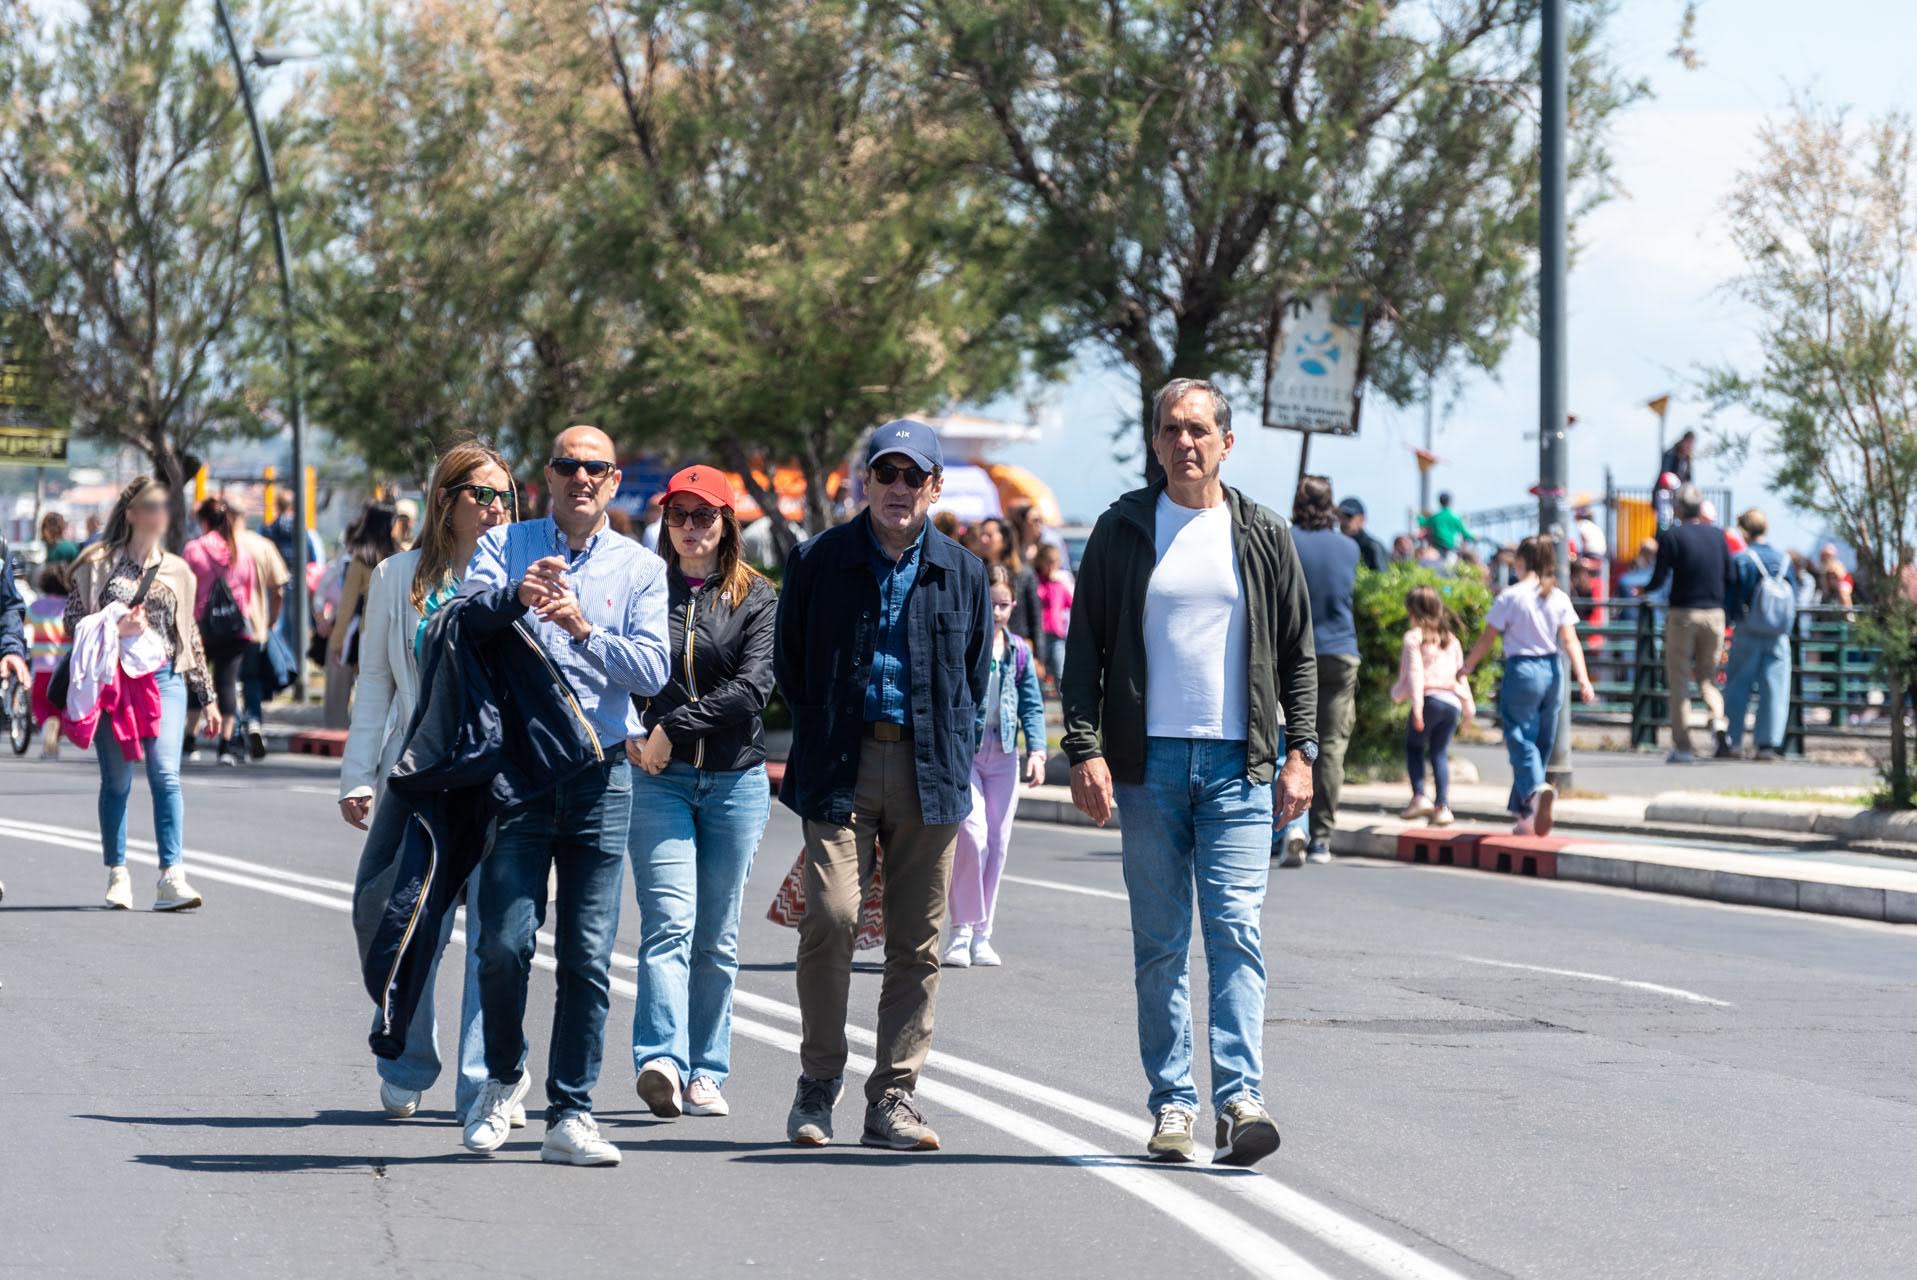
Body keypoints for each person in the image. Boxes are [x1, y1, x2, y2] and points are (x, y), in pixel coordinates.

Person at [1062, 378, 1317, 1168]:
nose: (1185, 443)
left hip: (1241, 764)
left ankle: (1240, 1101)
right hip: (1149, 766)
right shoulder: (1121, 530)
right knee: (1160, 943)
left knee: (1236, 931)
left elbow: (1299, 653)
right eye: (1171, 430)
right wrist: (1085, 748)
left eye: (1199, 430)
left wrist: (1301, 752)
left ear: (1226, 443)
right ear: (1155, 441)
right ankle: (1172, 1102)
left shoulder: (1262, 533)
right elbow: (1084, 647)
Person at [774, 419, 990, 1152]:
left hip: (931, 769)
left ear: (934, 487)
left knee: (916, 943)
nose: (899, 488)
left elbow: (974, 675)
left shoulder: (964, 571)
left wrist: (953, 747)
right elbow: (792, 662)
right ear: (865, 482)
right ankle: (817, 1082)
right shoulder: (817, 561)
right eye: (886, 473)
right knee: (831, 917)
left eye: (913, 476)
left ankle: (893, 1097)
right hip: (842, 762)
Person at [458, 425, 669, 1169]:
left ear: (612, 482)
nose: (581, 478)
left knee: (586, 956)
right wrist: (514, 598)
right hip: (515, 775)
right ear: (547, 476)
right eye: (567, 466)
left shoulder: (640, 567)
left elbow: (652, 672)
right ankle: (501, 1080)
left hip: (599, 774)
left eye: (595, 469)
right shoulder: (504, 545)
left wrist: (582, 629)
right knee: (502, 944)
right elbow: (464, 624)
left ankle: (571, 1114)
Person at [340, 442, 516, 1124]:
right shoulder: (396, 577)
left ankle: (485, 1084)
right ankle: (408, 1061)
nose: (495, 508)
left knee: (497, 940)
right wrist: (358, 776)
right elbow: (375, 683)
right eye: (482, 494)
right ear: (446, 499)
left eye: (504, 496)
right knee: (411, 923)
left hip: (501, 784)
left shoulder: (522, 574)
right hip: (422, 780)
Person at [626, 464, 777, 1123]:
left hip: (734, 782)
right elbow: (613, 666)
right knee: (668, 922)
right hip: (657, 782)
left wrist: (670, 728)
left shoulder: (757, 596)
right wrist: (631, 731)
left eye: (703, 515)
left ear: (725, 523)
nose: (690, 527)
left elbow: (752, 690)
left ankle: (706, 1071)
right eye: (678, 514)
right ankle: (661, 1060)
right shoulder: (641, 586)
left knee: (715, 936)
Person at [66, 476, 217, 910]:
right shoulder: (98, 563)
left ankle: (171, 876)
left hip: (164, 679)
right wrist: (115, 628)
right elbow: (72, 622)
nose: (162, 513)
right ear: (131, 513)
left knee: (165, 772)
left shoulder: (179, 570)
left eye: (166, 505)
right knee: (117, 780)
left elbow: (188, 634)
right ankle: (118, 873)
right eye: (153, 505)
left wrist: (207, 697)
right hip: (112, 681)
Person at [943, 565, 1047, 969]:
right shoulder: (966, 642)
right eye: (991, 604)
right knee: (972, 837)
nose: (998, 612)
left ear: (1014, 605)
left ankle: (982, 935)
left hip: (1003, 754)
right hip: (967, 752)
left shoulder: (1019, 651)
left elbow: (1032, 705)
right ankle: (961, 931)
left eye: (1004, 605)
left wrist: (1037, 751)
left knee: (999, 843)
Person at [1462, 536, 1596, 836]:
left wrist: (1467, 666)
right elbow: (1570, 641)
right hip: (1553, 669)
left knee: (1519, 736)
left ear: (1520, 562)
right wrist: (1584, 679)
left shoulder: (1511, 596)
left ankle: (1535, 791)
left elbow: (1487, 638)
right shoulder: (1558, 596)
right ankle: (1526, 812)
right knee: (1542, 741)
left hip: (1522, 668)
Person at [1285, 475, 1359, 868]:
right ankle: (1321, 839)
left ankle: (1287, 826)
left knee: (1285, 742)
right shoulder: (1349, 547)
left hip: (1294, 653)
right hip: (1341, 652)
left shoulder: (1285, 540)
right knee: (1330, 749)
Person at [1647, 484, 1735, 763]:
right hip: (1715, 614)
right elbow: (1730, 576)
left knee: (1679, 681)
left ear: (1679, 508)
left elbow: (1659, 577)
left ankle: (1684, 746)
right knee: (1708, 678)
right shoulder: (1718, 536)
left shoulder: (1672, 536)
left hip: (1683, 613)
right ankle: (1718, 721)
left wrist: (1643, 590)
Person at [182, 497, 260, 766]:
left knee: (196, 681)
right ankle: (226, 746)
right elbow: (248, 591)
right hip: (235, 628)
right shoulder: (240, 551)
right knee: (227, 684)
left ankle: (190, 740)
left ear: (203, 521)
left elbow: (184, 588)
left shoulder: (193, 549)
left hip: (201, 627)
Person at [1392, 586, 1475, 827]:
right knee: (1439, 752)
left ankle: (1419, 796)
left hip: (1429, 700)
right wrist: (1468, 709)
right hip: (1452, 703)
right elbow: (1461, 676)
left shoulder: (1414, 637)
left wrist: (1416, 707)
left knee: (1414, 746)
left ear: (1413, 611)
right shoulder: (1451, 639)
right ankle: (1442, 807)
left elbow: (1415, 674)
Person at [1722, 508, 1796, 761]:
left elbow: (1732, 597)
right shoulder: (1784, 559)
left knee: (1738, 686)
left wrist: (1729, 620)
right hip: (1778, 633)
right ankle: (1767, 744)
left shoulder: (1743, 560)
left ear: (1744, 530)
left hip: (1748, 629)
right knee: (1775, 689)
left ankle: (1733, 741)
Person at [322, 502, 403, 729]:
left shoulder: (361, 559)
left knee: (366, 688)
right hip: (396, 630)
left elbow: (346, 605)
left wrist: (337, 642)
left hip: (368, 630)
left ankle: (355, 732)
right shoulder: (401, 556)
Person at [230, 502, 290, 760]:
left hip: (223, 628)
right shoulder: (262, 545)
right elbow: (279, 588)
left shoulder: (219, 546)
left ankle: (234, 732)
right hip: (255, 625)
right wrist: (271, 618)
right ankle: (254, 721)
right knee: (252, 679)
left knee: (228, 681)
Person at [970, 514, 1043, 655]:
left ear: (1005, 539)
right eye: (982, 534)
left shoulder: (1024, 574)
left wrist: (1038, 656)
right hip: (983, 648)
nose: (983, 539)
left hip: (1017, 650)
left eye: (989, 535)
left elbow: (1035, 618)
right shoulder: (975, 572)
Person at [28, 562, 72, 758]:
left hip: (42, 666)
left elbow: (24, 622)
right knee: (60, 705)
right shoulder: (69, 606)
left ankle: (47, 728)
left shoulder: (37, 606)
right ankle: (53, 737)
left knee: (39, 702)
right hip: (64, 667)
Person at [1031, 541, 1073, 683]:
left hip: (1056, 635)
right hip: (1039, 634)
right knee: (1037, 675)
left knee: (1060, 673)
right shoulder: (1035, 581)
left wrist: (1057, 582)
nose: (1051, 567)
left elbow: (1072, 603)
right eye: (1048, 562)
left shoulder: (1059, 584)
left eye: (1054, 563)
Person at [1337, 496, 1388, 572]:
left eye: (1349, 516)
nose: (1344, 521)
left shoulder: (1371, 548)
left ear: (1362, 519)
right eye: (1340, 516)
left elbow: (1381, 577)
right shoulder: (1336, 547)